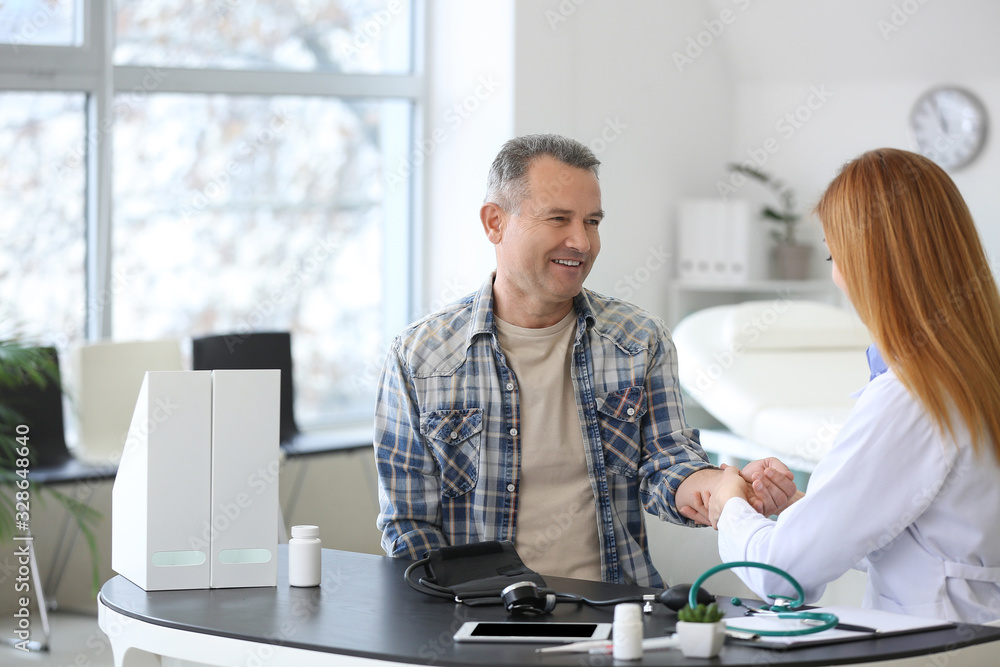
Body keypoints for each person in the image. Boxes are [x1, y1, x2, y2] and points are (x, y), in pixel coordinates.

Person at [374, 134, 797, 587]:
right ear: (495, 222)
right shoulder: (419, 357)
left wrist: (721, 492)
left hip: (614, 616)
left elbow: (668, 464)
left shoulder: (639, 339)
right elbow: (409, 527)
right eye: (559, 219)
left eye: (592, 222)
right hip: (476, 617)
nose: (582, 241)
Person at [709, 147, 1000, 623]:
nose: (836, 274)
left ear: (872, 262)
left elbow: (782, 575)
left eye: (833, 253)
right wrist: (809, 513)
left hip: (933, 646)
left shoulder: (913, 397)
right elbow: (940, 538)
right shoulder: (978, 367)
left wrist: (730, 507)